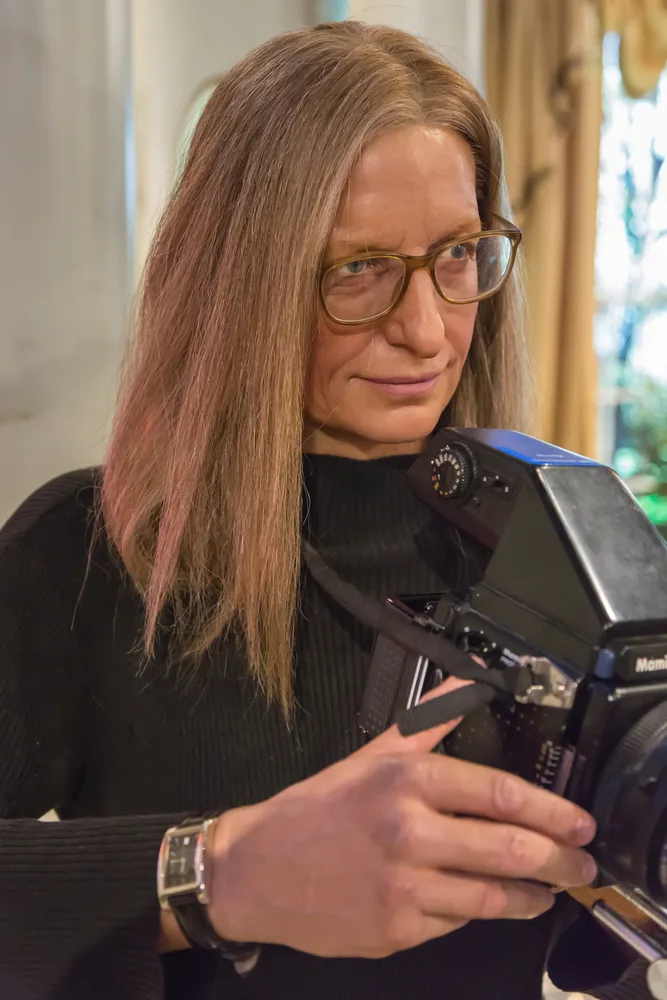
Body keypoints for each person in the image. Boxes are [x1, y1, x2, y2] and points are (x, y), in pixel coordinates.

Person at [0, 20, 645, 1000]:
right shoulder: (101, 553)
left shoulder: (556, 549)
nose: (427, 330)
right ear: (241, 282)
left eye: (458, 254)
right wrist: (216, 873)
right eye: (359, 270)